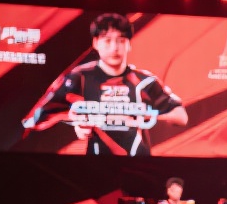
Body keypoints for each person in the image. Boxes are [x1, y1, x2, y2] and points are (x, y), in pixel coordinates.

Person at [22, 12, 188, 156]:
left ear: (129, 44)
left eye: (121, 40)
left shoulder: (144, 81)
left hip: (139, 163)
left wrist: (147, 113)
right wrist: (75, 119)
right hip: (94, 166)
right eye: (107, 40)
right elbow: (35, 119)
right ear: (95, 43)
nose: (114, 47)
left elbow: (181, 116)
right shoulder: (79, 77)